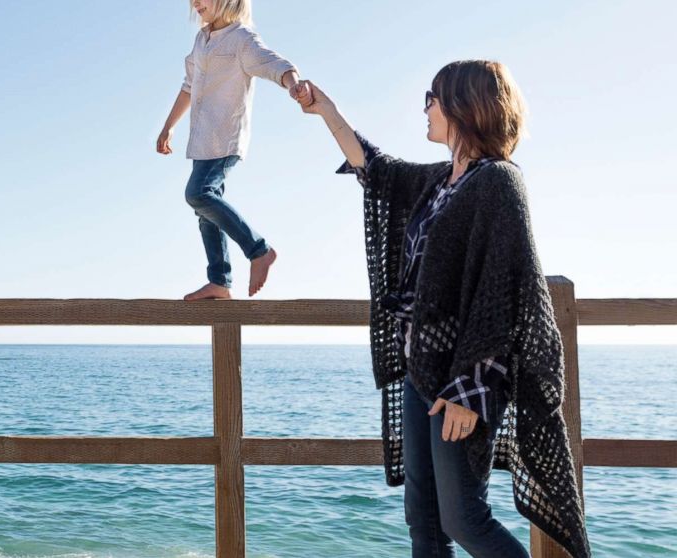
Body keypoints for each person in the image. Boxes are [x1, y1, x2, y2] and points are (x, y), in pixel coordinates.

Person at [299, 61, 591, 558]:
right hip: (422, 372)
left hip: (463, 383)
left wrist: (469, 389)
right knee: (425, 521)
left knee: (465, 520)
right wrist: (325, 110)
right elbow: (376, 170)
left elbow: (504, 292)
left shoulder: (497, 183)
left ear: (465, 106)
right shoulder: (440, 182)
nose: (426, 107)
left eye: (432, 98)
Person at [157, 0, 311, 300]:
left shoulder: (241, 38)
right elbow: (189, 86)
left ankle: (259, 250)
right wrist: (168, 126)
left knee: (198, 194)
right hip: (201, 140)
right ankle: (220, 281)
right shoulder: (201, 40)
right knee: (206, 212)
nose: (195, 3)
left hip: (225, 136)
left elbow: (273, 63)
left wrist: (294, 84)